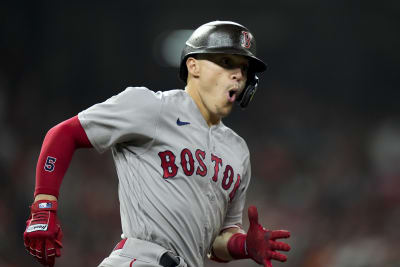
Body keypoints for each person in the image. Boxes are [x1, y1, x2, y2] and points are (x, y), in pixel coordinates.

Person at [23, 21, 291, 267]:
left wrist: (243, 244)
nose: (237, 75)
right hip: (139, 259)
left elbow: (216, 244)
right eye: (226, 61)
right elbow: (63, 134)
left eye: (243, 69)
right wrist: (44, 205)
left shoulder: (237, 150)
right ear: (193, 66)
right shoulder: (152, 106)